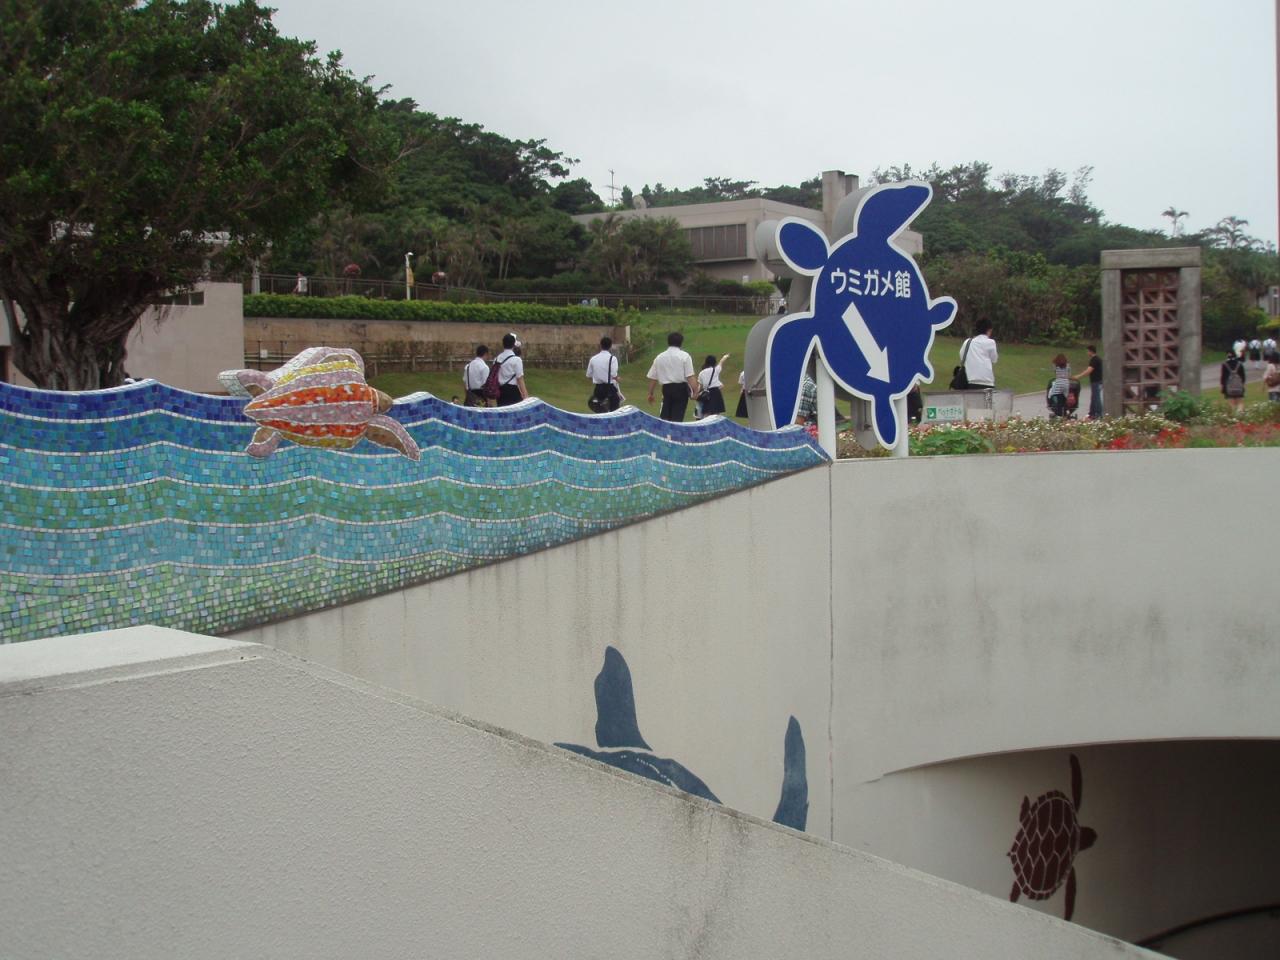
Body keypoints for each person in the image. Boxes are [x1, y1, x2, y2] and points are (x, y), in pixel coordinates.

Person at [646, 332, 698, 422]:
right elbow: (690, 376)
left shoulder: (659, 357)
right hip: (681, 389)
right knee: (677, 417)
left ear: (668, 342)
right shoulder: (685, 356)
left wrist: (650, 394)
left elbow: (653, 378)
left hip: (666, 389)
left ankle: (666, 430)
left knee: (666, 417)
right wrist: (696, 391)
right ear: (681, 343)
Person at [586, 336, 621, 413]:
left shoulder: (593, 359)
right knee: (614, 411)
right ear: (610, 346)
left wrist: (598, 378)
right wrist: (617, 378)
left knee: (600, 410)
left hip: (598, 389)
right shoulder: (612, 359)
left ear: (600, 345)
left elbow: (588, 375)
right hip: (609, 388)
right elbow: (614, 374)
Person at [493, 333, 528, 407]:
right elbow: (520, 380)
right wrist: (526, 397)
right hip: (512, 391)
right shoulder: (517, 359)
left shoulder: (496, 359)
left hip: (500, 391)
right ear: (513, 345)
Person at [961, 322, 998, 389]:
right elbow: (994, 360)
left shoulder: (967, 342)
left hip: (971, 381)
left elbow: (962, 357)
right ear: (989, 330)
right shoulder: (991, 342)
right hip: (987, 382)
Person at [695, 353, 730, 418]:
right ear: (714, 362)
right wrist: (725, 356)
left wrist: (696, 394)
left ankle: (706, 423)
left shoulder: (701, 373)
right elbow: (721, 362)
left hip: (706, 394)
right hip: (716, 392)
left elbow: (700, 386)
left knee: (706, 412)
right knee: (716, 413)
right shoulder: (716, 370)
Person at [1077, 345, 1103, 419]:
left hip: (1096, 381)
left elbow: (1088, 371)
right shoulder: (1097, 359)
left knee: (1096, 397)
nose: (1087, 353)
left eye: (1088, 351)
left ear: (1091, 351)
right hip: (1097, 381)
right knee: (1094, 397)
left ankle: (1098, 414)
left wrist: (1078, 376)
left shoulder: (1094, 360)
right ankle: (1092, 413)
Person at [1047, 353, 1075, 418]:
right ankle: (1066, 410)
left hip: (1058, 382)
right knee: (1066, 397)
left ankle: (1056, 410)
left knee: (1052, 394)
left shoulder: (1056, 365)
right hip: (1066, 383)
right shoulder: (1068, 365)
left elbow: (1054, 371)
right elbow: (1070, 374)